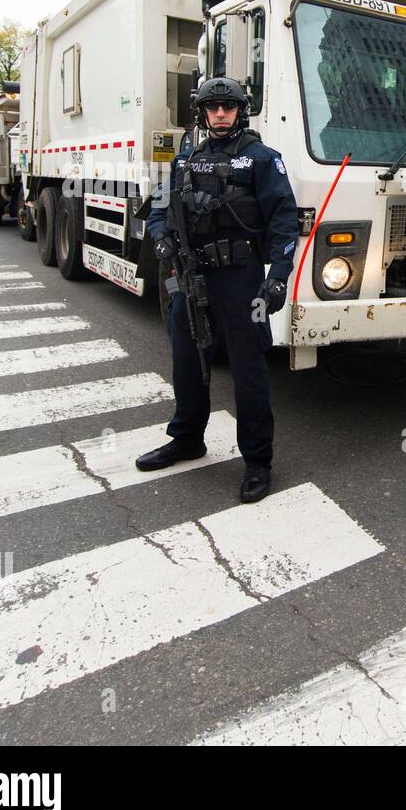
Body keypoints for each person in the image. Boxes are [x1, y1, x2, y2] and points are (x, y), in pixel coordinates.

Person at [137, 77, 299, 503]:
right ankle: (188, 438)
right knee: (187, 360)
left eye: (228, 106)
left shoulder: (262, 159)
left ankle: (258, 462)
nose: (221, 113)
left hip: (242, 279)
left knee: (248, 370)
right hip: (192, 277)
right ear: (203, 113)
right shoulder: (185, 160)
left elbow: (285, 221)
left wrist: (278, 276)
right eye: (213, 107)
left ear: (240, 111)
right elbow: (157, 208)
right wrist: (161, 240)